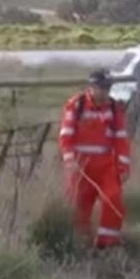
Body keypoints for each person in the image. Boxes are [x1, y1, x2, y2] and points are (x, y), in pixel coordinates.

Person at [58, 69, 130, 248]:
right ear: (92, 87)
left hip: (106, 165)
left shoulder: (114, 109)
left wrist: (123, 166)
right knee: (80, 205)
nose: (105, 93)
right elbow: (66, 135)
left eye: (108, 89)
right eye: (102, 88)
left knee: (114, 200)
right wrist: (70, 160)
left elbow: (121, 140)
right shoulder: (76, 105)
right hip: (80, 166)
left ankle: (107, 244)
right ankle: (80, 243)